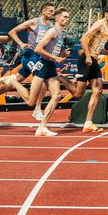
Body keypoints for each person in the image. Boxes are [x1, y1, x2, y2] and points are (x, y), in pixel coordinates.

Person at [28, 9, 74, 138]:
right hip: (43, 64)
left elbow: (52, 51)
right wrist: (56, 58)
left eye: (68, 16)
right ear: (57, 18)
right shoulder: (52, 31)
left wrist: (61, 54)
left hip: (50, 66)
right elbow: (38, 49)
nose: (67, 18)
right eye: (65, 16)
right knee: (31, 102)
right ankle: (12, 81)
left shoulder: (60, 33)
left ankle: (42, 127)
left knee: (57, 95)